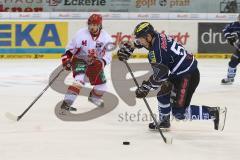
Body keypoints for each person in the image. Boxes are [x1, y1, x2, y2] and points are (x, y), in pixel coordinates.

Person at [117, 22, 227, 131]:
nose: (139, 41)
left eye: (140, 38)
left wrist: (146, 87)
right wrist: (131, 46)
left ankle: (214, 113)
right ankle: (164, 121)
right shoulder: (159, 36)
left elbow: (160, 77)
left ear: (148, 37)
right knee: (163, 94)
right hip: (182, 72)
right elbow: (145, 43)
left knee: (179, 113)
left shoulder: (157, 53)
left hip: (186, 77)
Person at [60, 14, 112, 112]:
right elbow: (70, 49)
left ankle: (94, 98)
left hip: (95, 63)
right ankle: (66, 103)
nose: (92, 27)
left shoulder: (106, 38)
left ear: (99, 25)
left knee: (102, 86)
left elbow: (108, 55)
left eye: (94, 25)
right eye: (90, 24)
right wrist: (66, 60)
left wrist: (102, 62)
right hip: (80, 60)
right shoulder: (81, 34)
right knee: (79, 80)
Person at [222, 14, 240, 84]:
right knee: (233, 62)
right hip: (239, 49)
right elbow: (225, 29)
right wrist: (229, 37)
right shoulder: (235, 24)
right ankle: (230, 78)